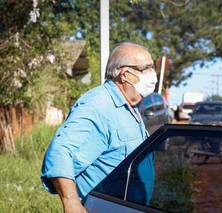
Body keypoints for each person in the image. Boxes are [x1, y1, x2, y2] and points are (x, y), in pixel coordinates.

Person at [41, 42, 158, 213]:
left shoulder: (128, 105)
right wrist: (71, 202)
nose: (152, 74)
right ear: (125, 74)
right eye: (146, 68)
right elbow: (60, 151)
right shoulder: (98, 105)